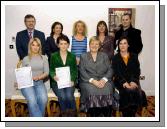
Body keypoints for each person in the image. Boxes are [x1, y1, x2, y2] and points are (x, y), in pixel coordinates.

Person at [79, 36, 113, 117]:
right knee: (91, 91)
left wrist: (104, 80)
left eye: (96, 44)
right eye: (92, 44)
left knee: (107, 89)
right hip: (88, 81)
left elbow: (110, 69)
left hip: (104, 79)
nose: (94, 46)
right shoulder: (83, 56)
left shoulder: (104, 55)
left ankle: (106, 115)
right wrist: (93, 81)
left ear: (99, 45)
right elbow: (82, 71)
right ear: (89, 45)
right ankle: (94, 115)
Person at [112, 36, 146, 117]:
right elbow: (116, 73)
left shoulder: (134, 56)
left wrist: (133, 81)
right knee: (127, 92)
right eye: (120, 43)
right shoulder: (115, 58)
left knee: (135, 91)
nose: (122, 45)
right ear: (118, 45)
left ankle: (131, 115)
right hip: (120, 82)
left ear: (128, 45)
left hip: (133, 81)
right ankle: (127, 116)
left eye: (125, 43)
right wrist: (124, 83)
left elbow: (137, 71)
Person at [49, 35, 78, 117]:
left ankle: (73, 114)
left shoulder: (72, 56)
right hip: (57, 82)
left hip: (70, 82)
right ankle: (64, 114)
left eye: (65, 43)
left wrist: (72, 80)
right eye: (61, 44)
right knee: (62, 96)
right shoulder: (53, 56)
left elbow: (75, 70)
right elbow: (51, 69)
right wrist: (54, 76)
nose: (63, 46)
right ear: (58, 45)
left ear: (68, 45)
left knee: (69, 96)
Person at [21, 38, 49, 117]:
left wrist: (39, 77)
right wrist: (19, 82)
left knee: (44, 99)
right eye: (33, 45)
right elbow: (22, 74)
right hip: (27, 84)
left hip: (39, 83)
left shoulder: (44, 58)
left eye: (37, 45)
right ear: (30, 46)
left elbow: (47, 72)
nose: (35, 47)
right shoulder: (25, 59)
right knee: (32, 100)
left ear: (40, 47)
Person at [45, 22, 64, 89]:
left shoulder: (64, 38)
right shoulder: (49, 39)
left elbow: (66, 49)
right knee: (54, 80)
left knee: (62, 81)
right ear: (53, 29)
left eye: (60, 28)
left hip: (63, 62)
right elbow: (47, 50)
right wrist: (55, 57)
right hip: (52, 62)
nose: (58, 29)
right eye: (56, 28)